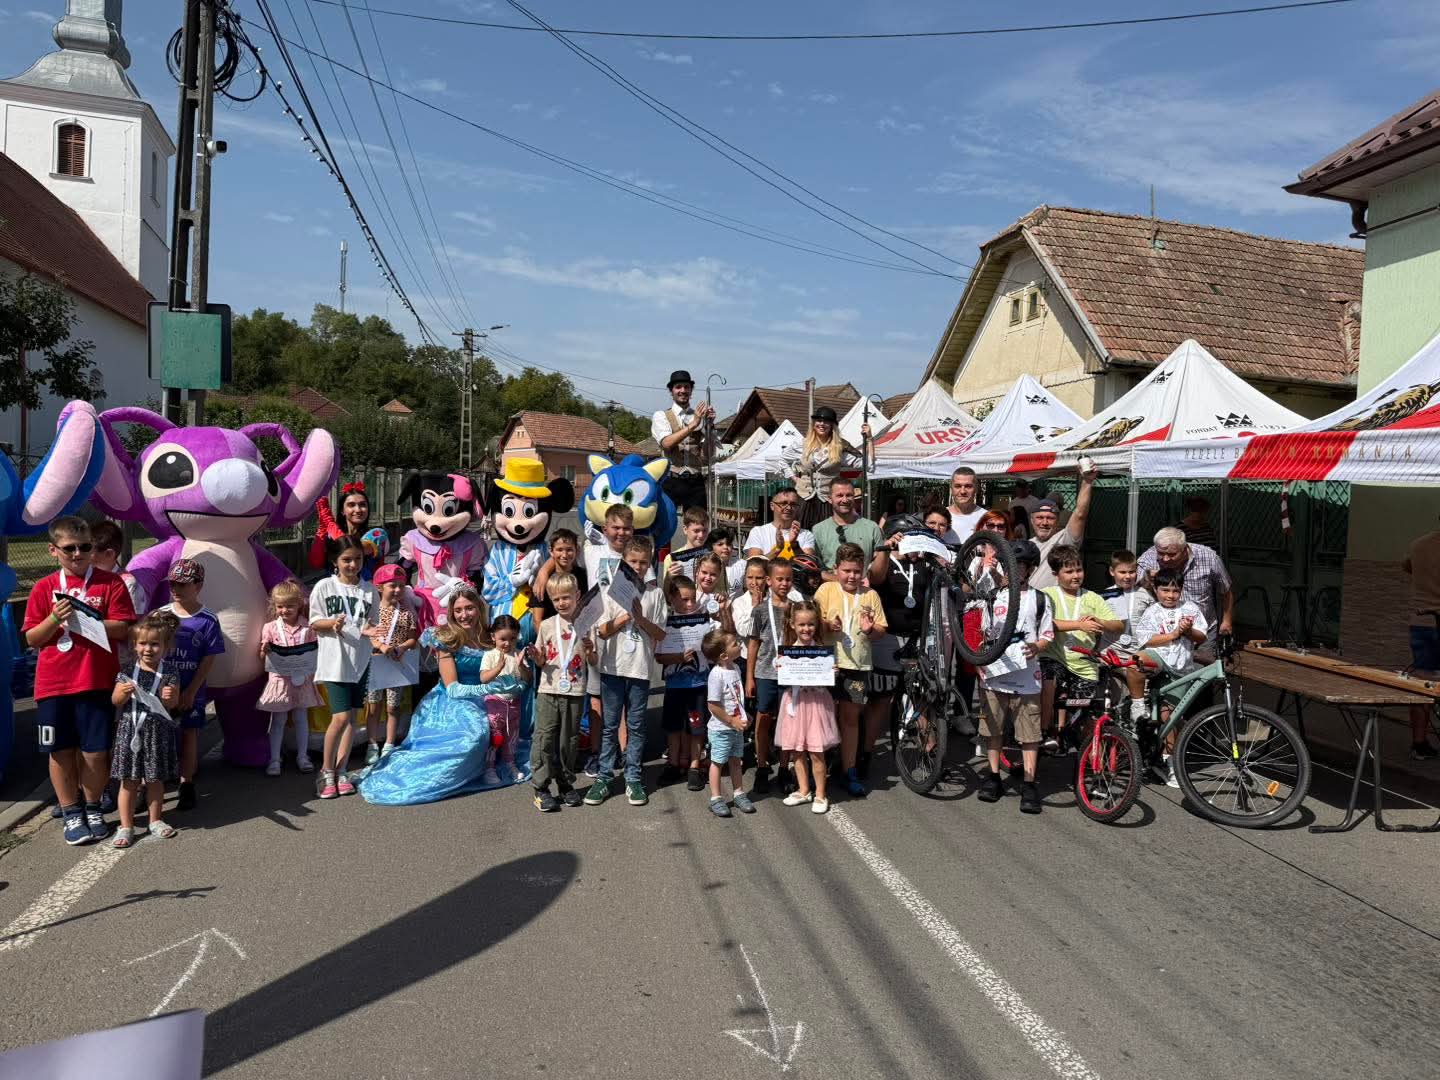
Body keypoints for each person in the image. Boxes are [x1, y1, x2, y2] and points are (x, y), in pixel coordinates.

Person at [23, 515, 137, 846]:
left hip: (96, 681)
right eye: (69, 548)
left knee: (96, 753)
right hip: (54, 684)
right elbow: (32, 638)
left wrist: (90, 621)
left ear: (92, 549)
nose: (77, 554)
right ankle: (70, 811)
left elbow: (124, 627)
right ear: (53, 550)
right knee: (59, 751)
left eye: (84, 547)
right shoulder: (45, 588)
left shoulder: (109, 583)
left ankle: (93, 808)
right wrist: (55, 618)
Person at [361, 587, 524, 805]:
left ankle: (491, 766)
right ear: (451, 613)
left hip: (489, 700)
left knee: (498, 732)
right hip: (452, 703)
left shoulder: (492, 636)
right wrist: (489, 690)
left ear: (479, 609)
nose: (464, 615)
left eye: (469, 608)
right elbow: (453, 688)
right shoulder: (447, 638)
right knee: (472, 738)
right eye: (458, 610)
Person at [587, 538, 667, 807]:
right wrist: (623, 618)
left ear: (650, 563)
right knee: (610, 726)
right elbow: (601, 630)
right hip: (612, 667)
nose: (639, 567)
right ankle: (604, 777)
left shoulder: (655, 595)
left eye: (644, 562)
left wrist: (641, 619)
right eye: (633, 562)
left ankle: (633, 776)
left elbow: (660, 633)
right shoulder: (610, 590)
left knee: (636, 725)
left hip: (640, 669)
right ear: (624, 563)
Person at [975, 541, 1054, 815]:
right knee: (993, 726)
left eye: (1020, 566)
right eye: (1010, 565)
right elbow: (984, 635)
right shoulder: (993, 597)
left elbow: (1046, 634)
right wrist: (980, 662)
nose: (1014, 570)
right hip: (996, 672)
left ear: (1030, 569)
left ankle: (1029, 783)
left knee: (1029, 731)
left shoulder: (1041, 599)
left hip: (1026, 673)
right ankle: (993, 775)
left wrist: (1037, 647)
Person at [815, 542, 887, 797]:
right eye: (846, 571)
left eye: (857, 571)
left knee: (850, 719)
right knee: (822, 717)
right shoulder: (825, 590)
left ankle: (849, 770)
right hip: (826, 663)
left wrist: (870, 629)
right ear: (836, 569)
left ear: (863, 570)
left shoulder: (870, 595)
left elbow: (881, 630)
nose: (851, 576)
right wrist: (826, 624)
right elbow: (810, 625)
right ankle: (818, 768)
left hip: (857, 665)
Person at [866, 515, 937, 773]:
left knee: (919, 695)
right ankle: (865, 753)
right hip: (887, 637)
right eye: (908, 537)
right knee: (882, 699)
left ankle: (930, 751)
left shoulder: (922, 564)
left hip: (917, 637)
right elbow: (874, 578)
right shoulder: (887, 560)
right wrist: (887, 547)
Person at [310, 537, 377, 800]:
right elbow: (314, 621)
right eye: (346, 559)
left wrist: (376, 635)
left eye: (357, 559)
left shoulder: (369, 590)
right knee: (339, 718)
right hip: (335, 662)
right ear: (334, 561)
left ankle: (342, 769)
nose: (352, 564)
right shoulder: (324, 586)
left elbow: (371, 625)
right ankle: (326, 772)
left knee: (352, 718)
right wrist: (333, 624)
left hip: (361, 662)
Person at [109, 610, 183, 848]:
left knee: (155, 779)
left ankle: (155, 820)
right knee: (129, 781)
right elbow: (115, 701)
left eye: (154, 644)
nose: (148, 649)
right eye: (143, 644)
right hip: (130, 731)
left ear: (165, 646)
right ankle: (126, 825)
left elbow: (173, 704)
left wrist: (170, 697)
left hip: (157, 733)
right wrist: (120, 694)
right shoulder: (127, 671)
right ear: (134, 645)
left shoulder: (169, 672)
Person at [157, 559, 225, 812]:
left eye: (183, 584)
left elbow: (209, 658)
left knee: (189, 734)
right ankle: (152, 782)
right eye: (173, 583)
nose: (175, 588)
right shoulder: (160, 616)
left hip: (191, 689)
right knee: (159, 735)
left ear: (198, 586)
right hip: (162, 690)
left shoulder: (208, 620)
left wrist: (191, 690)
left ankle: (187, 784)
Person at [1135, 568, 1209, 786]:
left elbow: (1201, 636)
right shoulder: (1152, 611)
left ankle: (1169, 762)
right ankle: (1137, 704)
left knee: (1171, 717)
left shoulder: (1190, 608)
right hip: (1159, 659)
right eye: (1165, 590)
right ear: (1156, 590)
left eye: (1175, 591)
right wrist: (1174, 634)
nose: (1170, 595)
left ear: (1182, 591)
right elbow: (1147, 640)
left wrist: (1188, 631)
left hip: (1181, 667)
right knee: (1138, 659)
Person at [1042, 545, 1123, 741]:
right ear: (1055, 574)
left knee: (1081, 707)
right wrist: (1078, 625)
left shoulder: (1092, 597)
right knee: (1048, 679)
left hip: (1084, 663)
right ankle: (1043, 731)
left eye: (1079, 570)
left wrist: (1099, 621)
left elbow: (1118, 626)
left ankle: (1072, 737)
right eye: (1069, 571)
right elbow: (1045, 623)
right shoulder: (1047, 594)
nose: (1076, 575)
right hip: (1055, 656)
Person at [528, 572, 594, 810]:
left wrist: (591, 649)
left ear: (577, 596)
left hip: (575, 690)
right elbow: (541, 659)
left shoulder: (587, 624)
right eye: (556, 600)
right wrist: (537, 657)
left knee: (569, 741)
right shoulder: (546, 625)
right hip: (548, 689)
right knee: (544, 738)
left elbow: (594, 661)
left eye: (566, 598)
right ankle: (541, 787)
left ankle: (566, 784)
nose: (562, 603)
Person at [775, 601, 839, 813]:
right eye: (801, 624)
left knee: (816, 751)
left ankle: (820, 794)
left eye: (811, 624)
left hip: (816, 704)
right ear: (792, 624)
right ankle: (803, 790)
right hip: (794, 703)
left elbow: (825, 675)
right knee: (797, 750)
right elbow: (783, 677)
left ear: (816, 625)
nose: (806, 629)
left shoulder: (822, 653)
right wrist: (780, 667)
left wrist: (832, 671)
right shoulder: (787, 652)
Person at [1136, 526, 1233, 656]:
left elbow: (1225, 590)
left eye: (1171, 554)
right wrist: (1147, 578)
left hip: (1202, 630)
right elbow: (1133, 587)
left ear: (1184, 549)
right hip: (1163, 632)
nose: (1165, 559)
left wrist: (1227, 621)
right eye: (1161, 553)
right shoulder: (1149, 557)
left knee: (1202, 671)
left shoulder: (1208, 557)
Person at [655, 575, 714, 788]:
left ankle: (694, 766)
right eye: (684, 600)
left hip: (698, 685)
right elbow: (659, 656)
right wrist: (679, 658)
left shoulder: (703, 621)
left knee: (696, 727)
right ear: (671, 599)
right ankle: (673, 764)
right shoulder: (666, 623)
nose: (689, 605)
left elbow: (713, 649)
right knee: (674, 727)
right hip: (674, 685)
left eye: (692, 600)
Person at [258, 580, 319, 776]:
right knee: (278, 720)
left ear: (300, 604)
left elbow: (316, 653)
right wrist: (264, 650)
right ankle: (275, 759)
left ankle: (303, 756)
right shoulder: (270, 628)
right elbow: (262, 657)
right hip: (279, 681)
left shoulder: (308, 627)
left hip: (302, 679)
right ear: (274, 606)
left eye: (290, 606)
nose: (285, 610)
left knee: (301, 718)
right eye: (280, 606)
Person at [746, 559, 795, 795]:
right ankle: (762, 767)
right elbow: (753, 644)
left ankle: (785, 767)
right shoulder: (760, 610)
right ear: (769, 581)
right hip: (765, 672)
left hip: (791, 673)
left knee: (787, 722)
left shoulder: (797, 608)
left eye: (788, 579)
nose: (784, 584)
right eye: (779, 579)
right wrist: (749, 678)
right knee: (763, 719)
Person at [362, 564, 419, 762]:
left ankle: (389, 743)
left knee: (393, 707)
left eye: (401, 586)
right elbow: (366, 635)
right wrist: (381, 645)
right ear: (379, 587)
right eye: (391, 586)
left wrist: (402, 647)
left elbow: (413, 638)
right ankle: (371, 743)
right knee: (373, 704)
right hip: (375, 662)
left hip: (397, 664)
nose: (397, 590)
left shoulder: (407, 613)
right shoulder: (372, 612)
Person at [703, 628, 756, 817]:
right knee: (717, 762)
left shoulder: (734, 668)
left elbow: (735, 697)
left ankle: (739, 792)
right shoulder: (716, 675)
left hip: (736, 727)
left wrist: (744, 714)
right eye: (735, 644)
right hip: (721, 729)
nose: (739, 644)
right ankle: (716, 798)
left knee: (736, 761)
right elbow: (713, 705)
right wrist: (731, 720)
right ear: (724, 655)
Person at [1099, 549, 1154, 727]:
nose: (1128, 576)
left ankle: (1135, 741)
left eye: (1132, 572)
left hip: (1136, 655)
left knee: (1138, 703)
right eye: (1122, 572)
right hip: (1110, 653)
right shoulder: (1104, 596)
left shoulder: (1146, 595)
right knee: (1112, 701)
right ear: (1112, 571)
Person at [1026, 463, 1099, 590]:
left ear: (1057, 521)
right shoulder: (1026, 546)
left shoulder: (1064, 541)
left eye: (1050, 518)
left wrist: (1087, 481)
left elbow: (1080, 513)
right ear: (1032, 520)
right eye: (1039, 517)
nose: (1044, 522)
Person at [1402, 521, 1440, 758]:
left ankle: (1419, 742)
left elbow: (1406, 566)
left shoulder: (1418, 544)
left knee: (1423, 683)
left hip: (1420, 622)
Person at [652, 369, 714, 512]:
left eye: (687, 387)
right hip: (671, 479)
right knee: (665, 526)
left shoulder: (700, 416)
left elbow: (707, 456)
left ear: (691, 391)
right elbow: (666, 443)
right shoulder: (661, 415)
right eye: (678, 387)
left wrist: (710, 427)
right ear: (671, 391)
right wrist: (693, 424)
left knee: (698, 527)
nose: (683, 390)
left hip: (695, 480)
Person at [479, 614, 530, 786]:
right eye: (503, 639)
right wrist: (498, 667)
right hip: (494, 703)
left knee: (511, 737)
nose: (507, 643)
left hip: (513, 704)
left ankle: (510, 763)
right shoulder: (490, 655)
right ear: (493, 637)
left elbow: (527, 679)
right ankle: (489, 768)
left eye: (512, 639)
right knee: (496, 737)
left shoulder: (517, 655)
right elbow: (484, 678)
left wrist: (522, 665)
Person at [794, 406, 864, 529]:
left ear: (832, 425)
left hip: (826, 500)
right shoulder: (802, 444)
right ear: (814, 424)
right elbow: (782, 461)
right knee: (802, 534)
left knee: (827, 533)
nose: (822, 424)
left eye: (826, 421)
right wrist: (794, 478)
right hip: (804, 498)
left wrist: (868, 439)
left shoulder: (839, 447)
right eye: (819, 421)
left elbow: (865, 464)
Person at [308, 481, 384, 580]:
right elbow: (316, 563)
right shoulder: (331, 536)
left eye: (362, 505)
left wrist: (329, 521)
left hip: (366, 592)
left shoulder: (378, 535)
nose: (358, 510)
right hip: (334, 592)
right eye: (351, 505)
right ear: (342, 511)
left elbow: (351, 548)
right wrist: (322, 530)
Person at [813, 477, 882, 580]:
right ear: (830, 498)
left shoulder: (872, 528)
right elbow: (815, 570)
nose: (845, 500)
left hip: (864, 592)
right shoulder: (818, 530)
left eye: (849, 495)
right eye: (840, 495)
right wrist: (836, 579)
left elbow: (879, 575)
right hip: (831, 592)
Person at [89, 519, 146, 616]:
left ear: (109, 554)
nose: (80, 554)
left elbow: (132, 625)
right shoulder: (84, 577)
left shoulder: (128, 584)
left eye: (89, 551)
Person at [744, 487, 817, 559]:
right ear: (772, 506)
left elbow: (809, 565)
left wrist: (794, 545)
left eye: (793, 504)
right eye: (783, 503)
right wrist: (777, 549)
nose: (788, 508)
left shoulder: (806, 534)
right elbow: (754, 564)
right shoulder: (758, 532)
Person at [534, 528, 587, 622]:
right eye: (559, 550)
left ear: (577, 550)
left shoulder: (583, 576)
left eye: (569, 550)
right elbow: (537, 619)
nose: (564, 555)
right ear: (551, 551)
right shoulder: (543, 580)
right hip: (551, 633)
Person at [663, 506, 711, 580]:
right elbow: (666, 590)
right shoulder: (671, 559)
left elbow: (721, 589)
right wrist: (669, 579)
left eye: (705, 530)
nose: (701, 535)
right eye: (696, 531)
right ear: (685, 529)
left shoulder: (712, 556)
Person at [944, 467, 987, 545]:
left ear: (976, 489)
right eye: (958, 486)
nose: (963, 491)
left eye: (968, 486)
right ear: (951, 488)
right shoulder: (940, 516)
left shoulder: (986, 517)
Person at [706, 528, 746, 596]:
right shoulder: (705, 567)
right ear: (711, 547)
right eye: (720, 544)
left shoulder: (742, 565)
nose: (725, 547)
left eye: (728, 544)